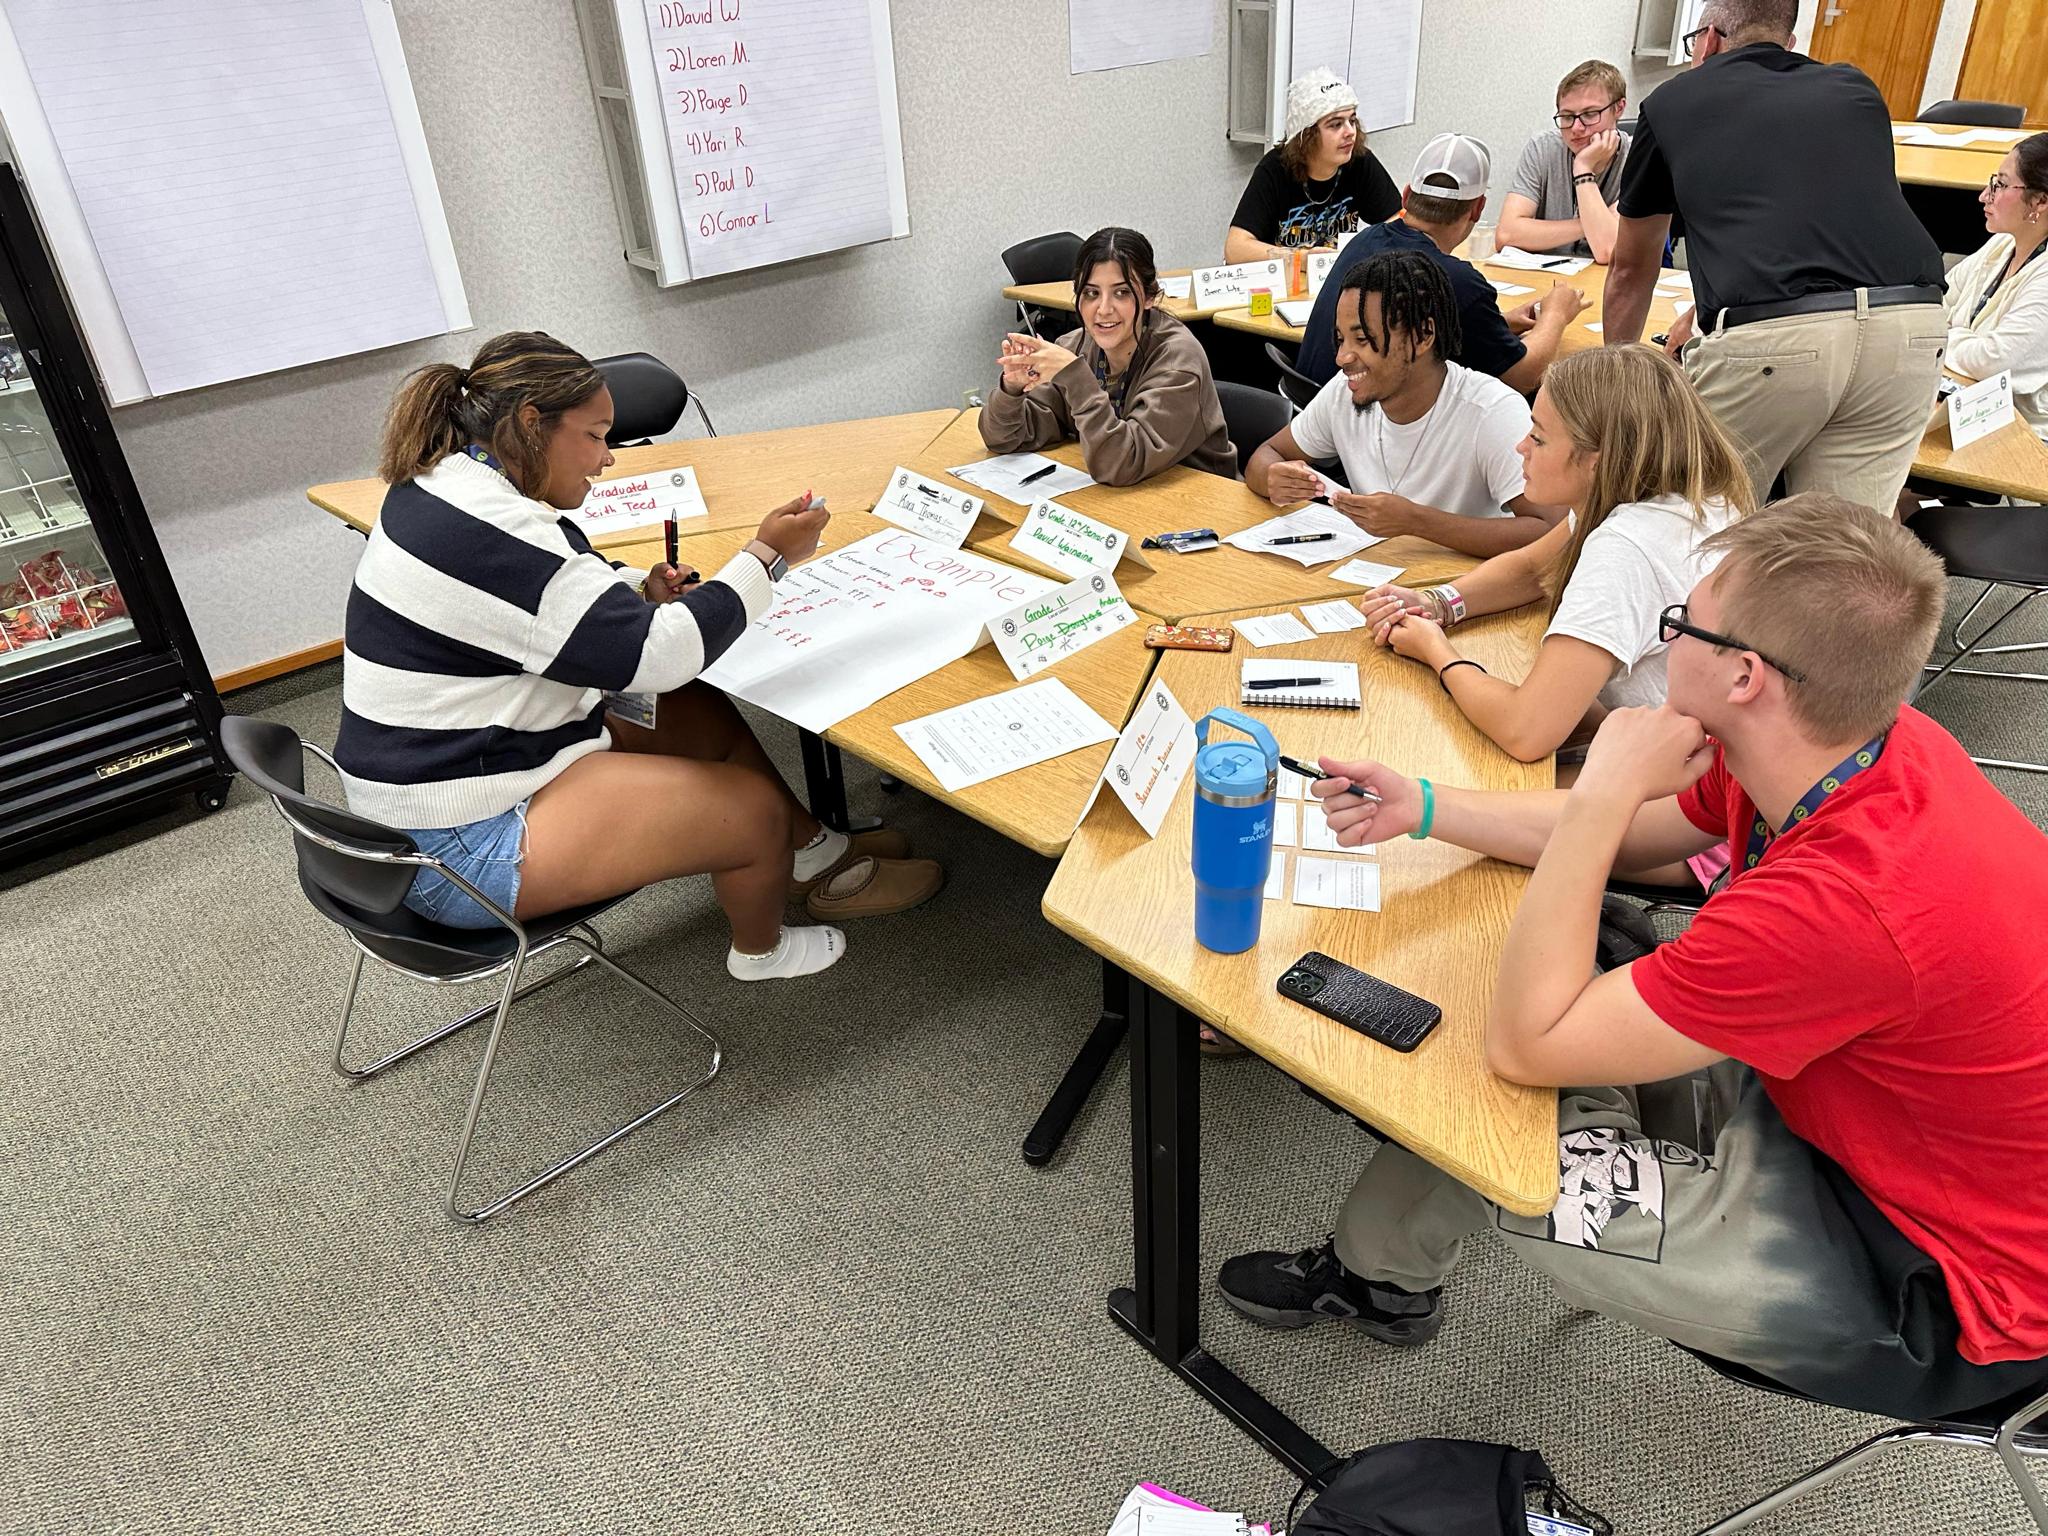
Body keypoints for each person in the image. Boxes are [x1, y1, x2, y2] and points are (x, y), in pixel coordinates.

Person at [1219, 494, 2048, 1423]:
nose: (1667, 639)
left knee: (1501, 1113)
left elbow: (1525, 1044)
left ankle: (1387, 1267)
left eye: (1681, 623)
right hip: (1861, 1111)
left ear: (1744, 676)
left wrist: (1605, 785)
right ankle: (1383, 1274)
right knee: (1546, 987)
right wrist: (1424, 806)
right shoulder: (1849, 744)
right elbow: (1641, 835)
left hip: (1938, 1280)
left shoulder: (1845, 904)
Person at [337, 331, 942, 983]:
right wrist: (767, 556)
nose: (606, 460)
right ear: (531, 424)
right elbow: (661, 655)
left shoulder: (447, 482)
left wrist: (634, 594)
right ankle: (760, 951)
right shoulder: (497, 530)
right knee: (751, 809)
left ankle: (810, 853)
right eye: (595, 437)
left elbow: (542, 601)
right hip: (452, 854)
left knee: (688, 709)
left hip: (435, 792)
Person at [1360, 346, 1750, 814]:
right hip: (1704, 767)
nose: (1521, 448)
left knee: (1456, 787)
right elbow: (1531, 568)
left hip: (1697, 805)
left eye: (1539, 438)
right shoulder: (1683, 496)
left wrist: (1435, 651)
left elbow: (1527, 731)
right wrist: (1439, 603)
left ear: (1595, 459)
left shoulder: (1626, 546)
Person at [1601, 0, 1947, 513]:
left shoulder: (1673, 101)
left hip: (1777, 343)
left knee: (1680, 520)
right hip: (1912, 328)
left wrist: (1617, 384)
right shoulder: (1855, 88)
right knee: (1836, 540)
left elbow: (1631, 268)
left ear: (1709, 40)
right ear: (1789, 43)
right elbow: (1826, 230)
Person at [1247, 252, 1563, 559]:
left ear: (1422, 336)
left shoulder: (1491, 411)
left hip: (1463, 586)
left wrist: (1416, 522)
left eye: (1363, 339)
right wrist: (1274, 478)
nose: (1342, 357)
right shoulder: (1344, 393)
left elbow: (1551, 531)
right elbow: (1265, 456)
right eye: (1341, 339)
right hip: (1376, 576)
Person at [1296, 134, 1588, 395]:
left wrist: (1499, 323)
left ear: (1406, 196)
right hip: (1359, 428)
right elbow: (1522, 378)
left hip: (1310, 411)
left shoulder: (1366, 239)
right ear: (1478, 208)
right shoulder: (1455, 280)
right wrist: (1556, 315)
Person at [982, 227, 1236, 484]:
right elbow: (1004, 439)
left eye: (1121, 292)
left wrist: (1076, 379)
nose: (1103, 309)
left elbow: (1122, 465)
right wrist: (1012, 390)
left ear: (1149, 297)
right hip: (1126, 495)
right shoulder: (1074, 345)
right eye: (1091, 293)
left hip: (1197, 495)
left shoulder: (1177, 361)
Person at [1226, 67, 1400, 263]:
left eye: (1352, 121)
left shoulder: (1360, 161)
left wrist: (1364, 249)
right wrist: (1302, 258)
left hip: (1339, 275)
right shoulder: (1275, 169)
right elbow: (1235, 248)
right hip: (1289, 277)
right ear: (1307, 135)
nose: (1350, 132)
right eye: (1336, 124)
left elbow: (1399, 224)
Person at [1940, 133, 2048, 440]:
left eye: (2000, 184)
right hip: (1970, 411)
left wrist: (1942, 337)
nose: (1984, 195)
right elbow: (1934, 305)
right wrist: (1965, 341)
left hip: (2026, 439)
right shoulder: (2001, 244)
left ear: (2040, 201)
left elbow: (1994, 361)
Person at [1497, 60, 1632, 263]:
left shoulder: (1639, 160)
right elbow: (1506, 235)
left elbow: (1608, 250)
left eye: (1589, 114)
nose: (1576, 128)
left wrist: (1583, 168)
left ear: (1619, 108)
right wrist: (1593, 223)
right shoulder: (1542, 148)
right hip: (1547, 276)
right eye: (1567, 117)